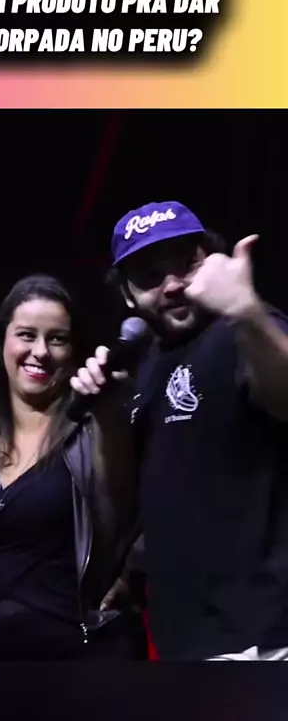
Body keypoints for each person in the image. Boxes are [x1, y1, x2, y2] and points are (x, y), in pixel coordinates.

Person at [71, 200, 288, 661]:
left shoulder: (243, 331)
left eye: (186, 264)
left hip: (263, 639)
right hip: (184, 641)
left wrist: (246, 310)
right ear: (127, 295)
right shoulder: (146, 366)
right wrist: (109, 415)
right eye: (150, 275)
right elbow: (129, 502)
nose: (172, 285)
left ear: (212, 260)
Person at [0, 274, 145, 661]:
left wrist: (131, 575)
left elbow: (130, 510)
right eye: (27, 335)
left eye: (57, 339)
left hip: (74, 663)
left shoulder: (94, 435)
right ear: (3, 342)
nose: (40, 352)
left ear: (74, 350)